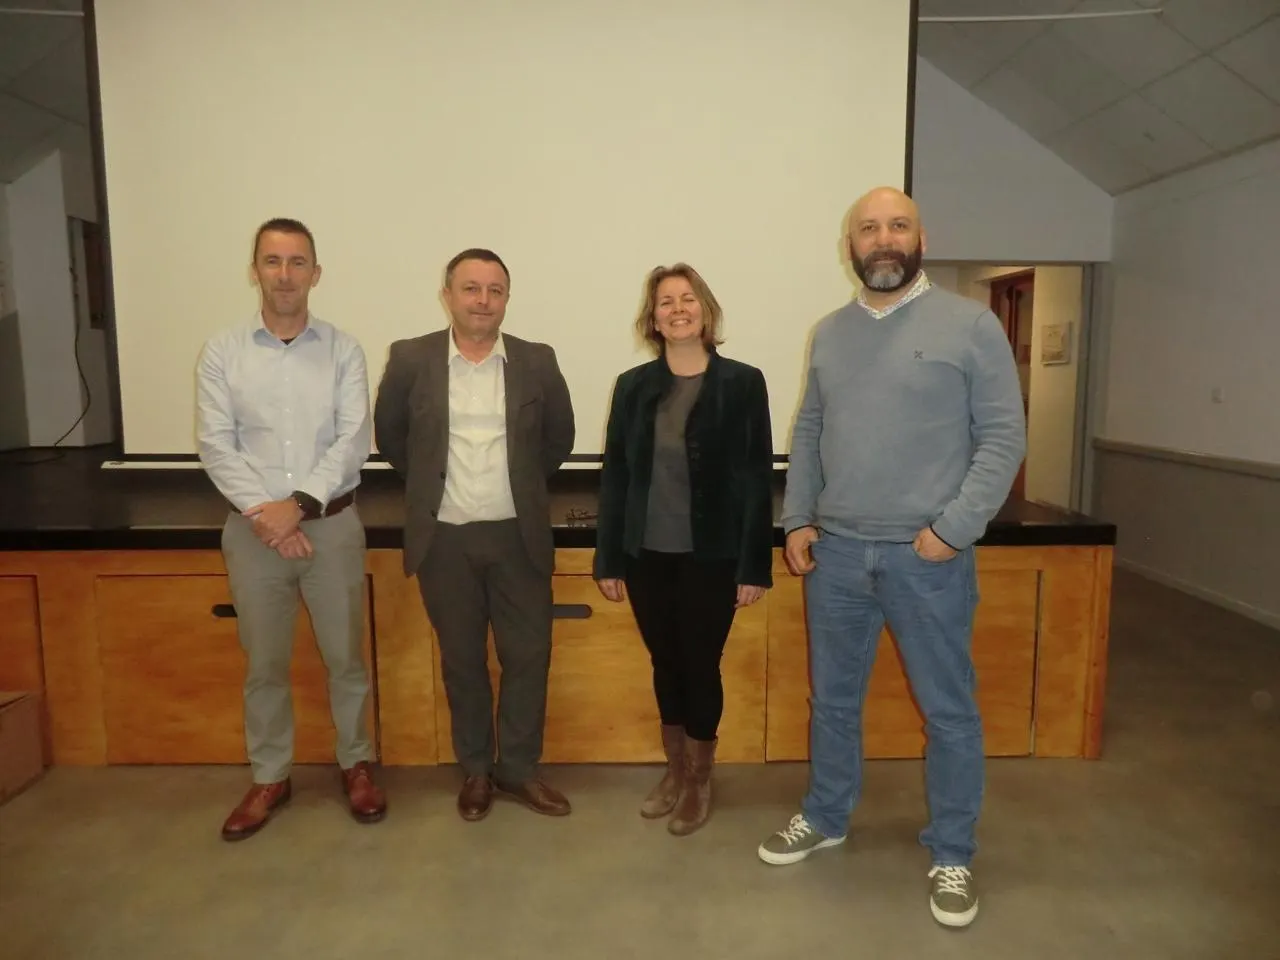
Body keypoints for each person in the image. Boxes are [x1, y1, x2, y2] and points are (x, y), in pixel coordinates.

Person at [755, 187, 1026, 929]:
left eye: (897, 226)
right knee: (833, 702)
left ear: (921, 239)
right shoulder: (830, 332)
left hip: (927, 558)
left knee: (949, 711)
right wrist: (798, 517)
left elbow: (1003, 437)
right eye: (869, 228)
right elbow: (810, 428)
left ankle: (953, 853)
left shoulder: (970, 325)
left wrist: (954, 529)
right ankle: (826, 815)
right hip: (837, 555)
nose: (883, 239)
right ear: (850, 245)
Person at [196, 217, 385, 841]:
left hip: (331, 527)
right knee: (265, 664)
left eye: (297, 262)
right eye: (273, 261)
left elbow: (352, 439)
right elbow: (216, 444)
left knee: (346, 660)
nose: (284, 274)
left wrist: (296, 506)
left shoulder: (344, 351)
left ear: (315, 273)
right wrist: (267, 514)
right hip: (253, 535)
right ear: (255, 270)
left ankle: (356, 764)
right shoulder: (222, 352)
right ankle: (270, 775)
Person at [373, 248, 575, 821]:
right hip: (445, 540)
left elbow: (558, 439)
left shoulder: (537, 360)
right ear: (448, 296)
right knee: (462, 661)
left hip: (518, 538)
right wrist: (434, 487)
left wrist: (518, 488)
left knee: (528, 658)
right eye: (471, 288)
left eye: (495, 290)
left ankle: (519, 770)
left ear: (507, 299)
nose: (483, 301)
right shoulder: (411, 359)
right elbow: (392, 437)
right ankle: (477, 772)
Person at [593, 263, 774, 836]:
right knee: (665, 663)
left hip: (712, 556)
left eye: (688, 298)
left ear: (706, 310)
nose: (678, 309)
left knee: (700, 664)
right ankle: (674, 770)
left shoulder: (743, 383)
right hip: (646, 554)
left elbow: (756, 477)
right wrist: (609, 557)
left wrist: (754, 565)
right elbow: (617, 476)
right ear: (653, 318)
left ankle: (698, 779)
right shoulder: (632, 386)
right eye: (666, 301)